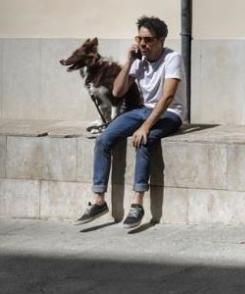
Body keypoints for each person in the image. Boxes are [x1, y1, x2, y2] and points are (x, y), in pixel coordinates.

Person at [75, 16, 185, 228]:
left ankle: (137, 203)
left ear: (161, 40)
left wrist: (145, 127)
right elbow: (117, 91)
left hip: (169, 113)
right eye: (140, 38)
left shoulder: (173, 58)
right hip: (142, 110)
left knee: (144, 139)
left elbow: (167, 97)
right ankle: (99, 200)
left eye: (148, 39)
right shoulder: (139, 61)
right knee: (103, 139)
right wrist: (129, 62)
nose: (143, 43)